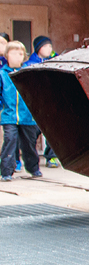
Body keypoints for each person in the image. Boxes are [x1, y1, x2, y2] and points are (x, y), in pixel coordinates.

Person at [1, 41, 42, 181]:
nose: (17, 56)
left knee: (29, 144)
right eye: (13, 53)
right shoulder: (2, 74)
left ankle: (33, 168)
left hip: (27, 116)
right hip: (9, 115)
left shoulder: (27, 72)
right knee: (10, 140)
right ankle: (6, 171)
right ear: (6, 55)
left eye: (20, 53)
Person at [26, 36, 59, 167]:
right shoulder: (30, 63)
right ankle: (30, 161)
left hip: (49, 103)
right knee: (31, 135)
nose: (49, 48)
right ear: (39, 48)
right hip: (34, 105)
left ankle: (51, 157)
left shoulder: (55, 60)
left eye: (50, 46)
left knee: (53, 133)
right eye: (45, 46)